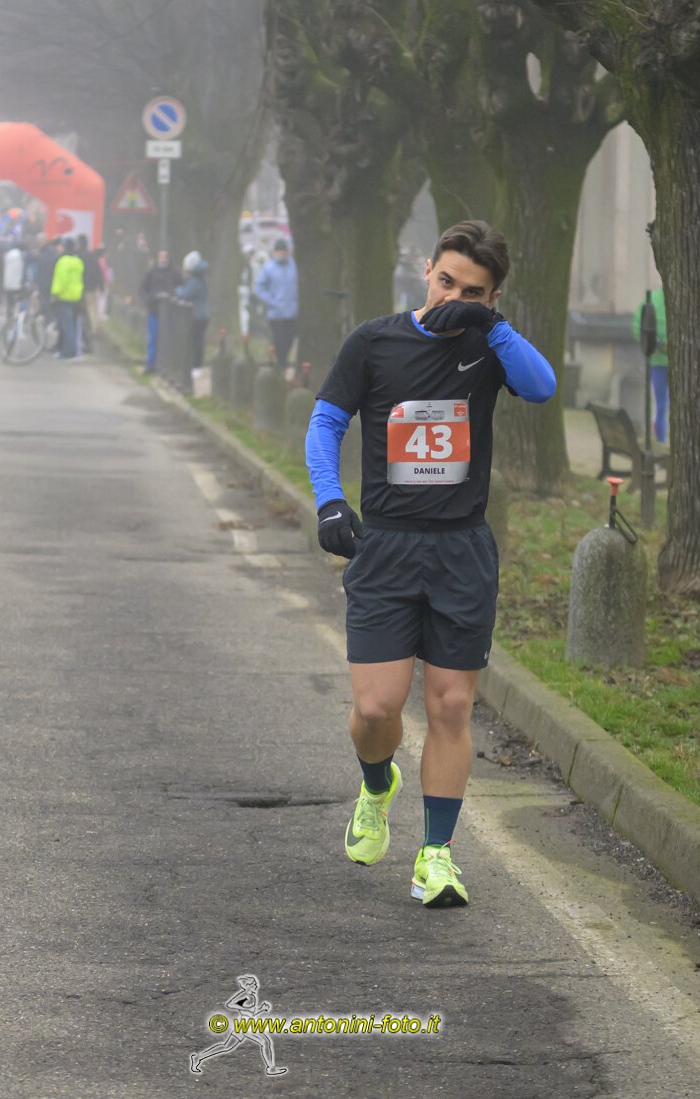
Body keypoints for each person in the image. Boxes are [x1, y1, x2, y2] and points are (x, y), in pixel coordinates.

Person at [304, 220, 556, 909]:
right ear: (426, 270)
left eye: (472, 292)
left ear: (492, 297)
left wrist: (490, 327)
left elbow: (541, 387)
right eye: (446, 282)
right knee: (375, 707)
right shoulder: (374, 342)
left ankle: (436, 856)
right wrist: (330, 500)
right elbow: (326, 422)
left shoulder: (489, 346)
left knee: (450, 705)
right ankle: (376, 783)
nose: (453, 298)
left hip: (460, 550)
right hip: (386, 547)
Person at [254, 239, 299, 371]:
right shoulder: (268, 268)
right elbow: (259, 287)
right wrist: (272, 301)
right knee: (279, 341)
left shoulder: (294, 266)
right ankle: (281, 365)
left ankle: (283, 362)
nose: (282, 253)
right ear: (274, 252)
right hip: (276, 314)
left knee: (290, 339)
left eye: (284, 250)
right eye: (279, 251)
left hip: (292, 312)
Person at [633, 286, 668, 444]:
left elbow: (638, 328)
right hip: (661, 362)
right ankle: (662, 439)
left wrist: (653, 343)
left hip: (657, 361)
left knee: (662, 404)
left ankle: (661, 439)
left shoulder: (651, 299)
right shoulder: (654, 299)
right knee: (664, 404)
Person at [140, 250, 182, 373]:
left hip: (170, 313)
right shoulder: (151, 272)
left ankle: (169, 366)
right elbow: (142, 290)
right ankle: (151, 365)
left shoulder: (175, 273)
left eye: (165, 257)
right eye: (161, 257)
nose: (163, 259)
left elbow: (181, 289)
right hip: (154, 311)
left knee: (169, 340)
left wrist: (175, 298)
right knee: (153, 338)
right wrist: (149, 300)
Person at [174, 252, 211, 373]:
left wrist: (177, 290)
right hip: (203, 315)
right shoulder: (201, 279)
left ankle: (196, 366)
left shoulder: (194, 281)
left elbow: (185, 294)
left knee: (195, 342)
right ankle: (196, 365)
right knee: (198, 341)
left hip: (196, 316)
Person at [50, 237, 85, 360]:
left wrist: (55, 293)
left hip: (64, 297)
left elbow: (61, 280)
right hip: (76, 296)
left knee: (66, 326)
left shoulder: (63, 261)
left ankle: (67, 352)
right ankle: (74, 350)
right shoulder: (78, 261)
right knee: (73, 325)